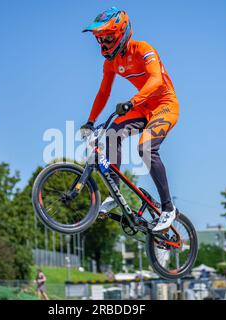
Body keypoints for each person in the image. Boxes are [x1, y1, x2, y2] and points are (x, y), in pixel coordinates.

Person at [81, 7, 180, 231]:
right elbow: (103, 92)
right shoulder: (111, 63)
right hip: (142, 107)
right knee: (111, 135)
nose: (103, 44)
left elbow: (156, 80)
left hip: (164, 106)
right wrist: (90, 120)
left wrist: (132, 102)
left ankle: (168, 208)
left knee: (145, 148)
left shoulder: (143, 49)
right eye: (100, 39)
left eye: (107, 37)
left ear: (121, 33)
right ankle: (115, 193)